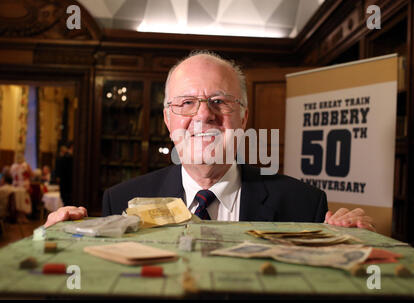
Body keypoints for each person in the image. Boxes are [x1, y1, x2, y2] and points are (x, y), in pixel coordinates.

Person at [45, 51, 374, 231]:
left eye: (220, 100)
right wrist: (53, 248)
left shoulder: (305, 205)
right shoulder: (121, 201)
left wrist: (362, 257)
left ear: (243, 117)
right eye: (186, 103)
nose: (203, 116)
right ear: (167, 119)